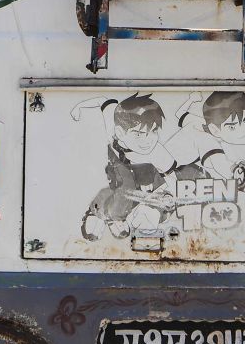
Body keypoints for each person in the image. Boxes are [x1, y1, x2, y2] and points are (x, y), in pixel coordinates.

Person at [72, 93, 174, 240]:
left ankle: (116, 214)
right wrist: (79, 106)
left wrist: (165, 199)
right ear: (120, 132)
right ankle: (102, 211)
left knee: (137, 192)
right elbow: (103, 100)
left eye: (153, 132)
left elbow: (171, 175)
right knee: (125, 186)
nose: (148, 140)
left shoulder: (158, 153)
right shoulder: (116, 125)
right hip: (119, 164)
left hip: (144, 171)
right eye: (139, 134)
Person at [166, 91, 245, 200]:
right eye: (232, 127)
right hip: (162, 177)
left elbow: (180, 114)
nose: (243, 129)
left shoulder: (198, 122)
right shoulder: (205, 140)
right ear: (215, 130)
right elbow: (222, 165)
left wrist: (191, 100)